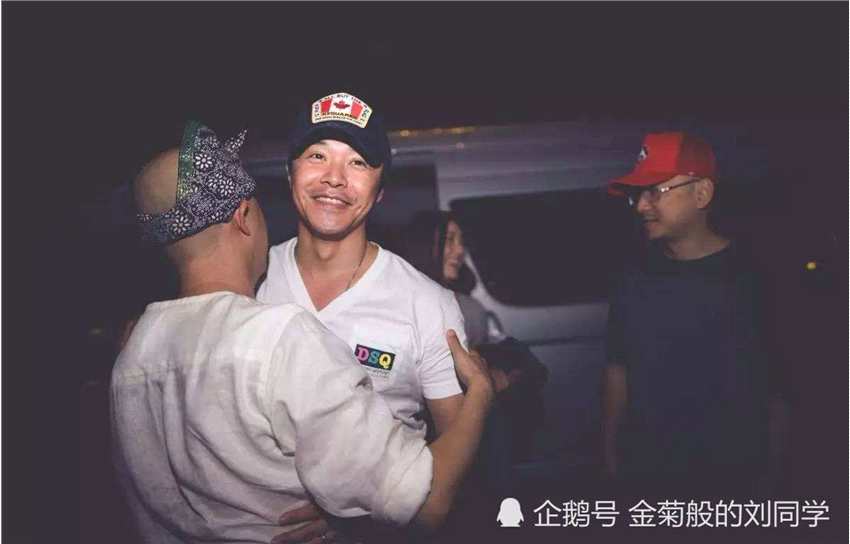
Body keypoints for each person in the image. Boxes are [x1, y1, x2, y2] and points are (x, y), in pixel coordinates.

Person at [110, 121, 495, 543]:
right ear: (285, 179)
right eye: (317, 155)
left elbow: (457, 471)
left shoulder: (428, 303)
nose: (335, 176)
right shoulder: (259, 299)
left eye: (358, 162)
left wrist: (357, 514)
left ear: (380, 190)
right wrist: (482, 392)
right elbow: (424, 499)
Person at [602, 131, 784, 498]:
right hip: (650, 475)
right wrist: (608, 452)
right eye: (638, 194)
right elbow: (618, 370)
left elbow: (781, 385)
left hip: (735, 478)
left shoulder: (755, 278)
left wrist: (778, 473)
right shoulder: (633, 279)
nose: (641, 206)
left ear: (702, 193)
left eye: (656, 191)